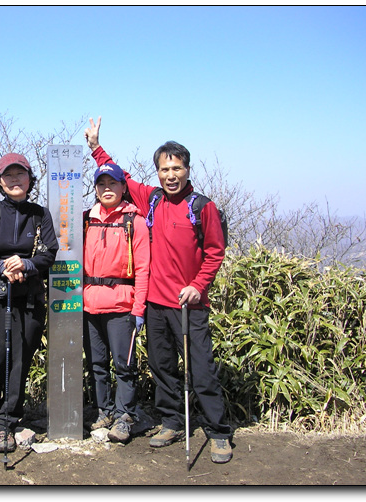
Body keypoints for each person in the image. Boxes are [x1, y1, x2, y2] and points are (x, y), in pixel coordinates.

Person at [84, 117, 233, 463]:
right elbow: (118, 177)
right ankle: (172, 422)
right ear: (158, 171)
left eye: (176, 168)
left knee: (201, 368)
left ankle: (218, 432)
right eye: (164, 168)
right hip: (154, 303)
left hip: (189, 305)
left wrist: (198, 286)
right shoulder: (152, 199)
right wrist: (95, 148)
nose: (170, 175)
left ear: (187, 169)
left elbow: (215, 251)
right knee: (162, 366)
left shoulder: (202, 207)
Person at [0, 153, 58, 453]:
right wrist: (2, 268)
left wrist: (26, 265)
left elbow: (49, 254)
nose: (15, 180)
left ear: (30, 179)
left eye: (21, 174)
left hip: (29, 298)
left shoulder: (41, 214)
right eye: (8, 175)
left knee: (19, 361)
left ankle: (8, 421)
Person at [83, 162, 150, 444]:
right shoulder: (86, 219)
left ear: (124, 187)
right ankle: (104, 411)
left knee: (124, 365)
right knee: (97, 364)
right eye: (102, 184)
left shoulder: (134, 222)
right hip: (88, 304)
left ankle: (125, 416)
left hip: (122, 304)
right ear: (95, 188)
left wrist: (139, 309)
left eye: (113, 184)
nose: (107, 189)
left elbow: (144, 268)